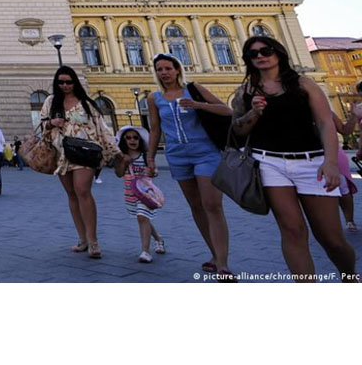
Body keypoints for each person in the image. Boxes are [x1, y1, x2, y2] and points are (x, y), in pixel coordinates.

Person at [232, 36, 357, 282]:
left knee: (331, 239)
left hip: (311, 163)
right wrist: (253, 113)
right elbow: (237, 130)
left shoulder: (304, 84)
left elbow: (325, 124)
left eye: (265, 50)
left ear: (278, 53)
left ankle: (350, 277)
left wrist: (331, 161)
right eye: (252, 54)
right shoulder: (244, 92)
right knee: (292, 230)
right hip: (269, 163)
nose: (260, 56)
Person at [145, 53, 234, 279]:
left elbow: (227, 110)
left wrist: (198, 105)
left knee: (212, 205)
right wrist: (151, 158)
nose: (164, 73)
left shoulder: (193, 89)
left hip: (205, 152)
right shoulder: (154, 98)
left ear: (177, 70)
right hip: (177, 155)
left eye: (168, 68)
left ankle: (223, 264)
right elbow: (155, 130)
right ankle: (214, 254)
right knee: (196, 207)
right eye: (159, 69)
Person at [41, 66, 119, 259]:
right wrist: (52, 123)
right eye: (61, 82)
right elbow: (42, 124)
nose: (65, 85)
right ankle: (82, 239)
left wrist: (114, 151)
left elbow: (101, 127)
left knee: (82, 190)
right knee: (72, 194)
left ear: (75, 82)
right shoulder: (51, 101)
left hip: (85, 152)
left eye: (69, 81)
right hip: (62, 153)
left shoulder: (86, 103)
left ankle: (93, 241)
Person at [114, 126, 166, 263]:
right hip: (131, 194)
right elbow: (119, 174)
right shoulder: (121, 157)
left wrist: (152, 172)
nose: (132, 140)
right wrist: (124, 163)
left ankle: (145, 251)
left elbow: (154, 172)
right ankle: (159, 239)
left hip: (146, 194)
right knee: (143, 219)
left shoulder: (145, 155)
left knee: (142, 217)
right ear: (123, 141)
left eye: (135, 137)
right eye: (129, 138)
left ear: (140, 140)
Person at [331, 104, 359, 232]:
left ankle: (349, 220)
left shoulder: (326, 112)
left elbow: (345, 130)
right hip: (308, 158)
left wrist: (354, 115)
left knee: (343, 187)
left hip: (334, 154)